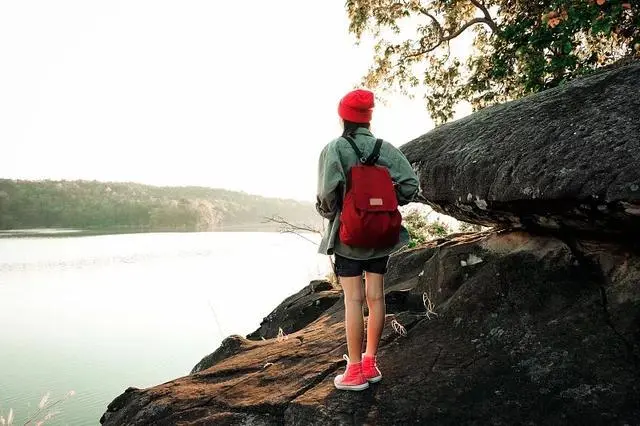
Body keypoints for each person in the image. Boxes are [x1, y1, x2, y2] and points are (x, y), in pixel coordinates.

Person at [316, 89, 420, 391]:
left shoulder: (335, 149)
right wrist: (386, 205)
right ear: (368, 118)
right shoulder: (385, 148)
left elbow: (326, 195)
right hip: (380, 235)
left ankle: (354, 371)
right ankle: (371, 362)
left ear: (343, 117)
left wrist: (336, 212)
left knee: (353, 301)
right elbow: (410, 184)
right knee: (376, 297)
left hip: (349, 236)